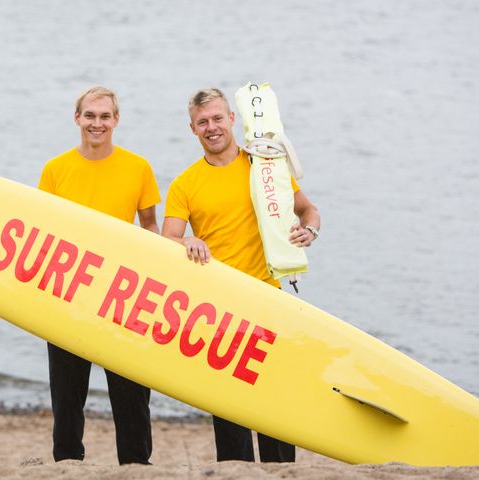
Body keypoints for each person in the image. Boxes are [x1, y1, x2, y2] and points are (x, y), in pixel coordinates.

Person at [162, 87, 320, 462]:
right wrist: (187, 240)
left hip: (268, 294)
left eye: (217, 118)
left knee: (275, 395)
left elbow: (307, 209)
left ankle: (281, 469)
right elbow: (166, 239)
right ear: (192, 129)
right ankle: (236, 469)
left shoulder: (263, 166)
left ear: (233, 119)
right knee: (229, 401)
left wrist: (309, 230)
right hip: (219, 304)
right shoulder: (185, 183)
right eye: (203, 122)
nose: (212, 127)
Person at [38, 86, 160, 465]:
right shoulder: (56, 170)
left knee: (132, 397)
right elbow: (42, 236)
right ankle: (67, 465)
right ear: (77, 119)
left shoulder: (137, 167)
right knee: (68, 397)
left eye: (105, 116)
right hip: (69, 297)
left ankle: (136, 467)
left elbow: (150, 228)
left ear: (116, 120)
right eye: (90, 115)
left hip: (123, 299)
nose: (97, 123)